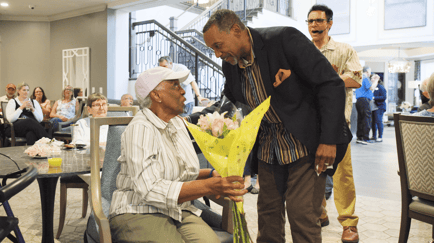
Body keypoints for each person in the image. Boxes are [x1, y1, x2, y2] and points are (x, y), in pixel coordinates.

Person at [192, 9, 351, 243]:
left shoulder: (284, 40)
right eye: (212, 49)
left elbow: (331, 84)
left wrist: (328, 140)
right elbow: (230, 102)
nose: (217, 54)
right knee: (267, 218)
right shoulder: (231, 64)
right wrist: (189, 121)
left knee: (303, 216)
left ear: (237, 30)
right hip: (268, 149)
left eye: (218, 45)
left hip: (304, 144)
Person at [109, 66, 247, 243]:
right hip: (139, 209)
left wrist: (211, 174)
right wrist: (210, 186)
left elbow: (175, 173)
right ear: (156, 96)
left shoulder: (177, 124)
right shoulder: (141, 128)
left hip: (178, 208)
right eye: (174, 86)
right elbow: (150, 189)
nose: (183, 91)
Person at [307, 4, 362, 243]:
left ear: (329, 23)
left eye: (319, 21)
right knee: (312, 170)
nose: (314, 25)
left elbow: (356, 79)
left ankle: (349, 223)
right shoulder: (303, 51)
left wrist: (327, 80)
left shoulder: (344, 49)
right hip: (308, 122)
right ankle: (320, 211)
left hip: (338, 122)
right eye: (310, 21)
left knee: (342, 175)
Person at [355, 66, 377, 145]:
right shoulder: (365, 78)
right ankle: (365, 138)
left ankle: (360, 137)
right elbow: (371, 87)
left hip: (359, 101)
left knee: (360, 119)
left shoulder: (360, 78)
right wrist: (375, 81)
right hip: (364, 101)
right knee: (366, 119)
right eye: (370, 71)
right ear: (367, 71)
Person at [371, 74, 387, 142]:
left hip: (380, 107)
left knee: (379, 121)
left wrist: (374, 98)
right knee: (373, 122)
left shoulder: (381, 87)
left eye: (373, 78)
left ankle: (380, 136)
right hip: (373, 107)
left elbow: (384, 97)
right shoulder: (372, 87)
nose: (371, 80)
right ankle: (374, 136)